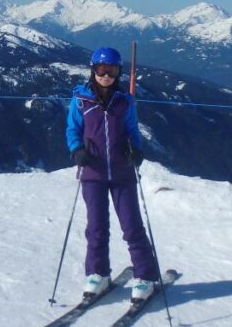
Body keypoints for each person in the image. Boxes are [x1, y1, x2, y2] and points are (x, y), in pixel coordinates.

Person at [66, 46, 159, 302]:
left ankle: (146, 276)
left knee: (132, 227)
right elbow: (72, 130)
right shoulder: (80, 100)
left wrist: (136, 151)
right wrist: (76, 150)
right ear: (93, 70)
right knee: (96, 227)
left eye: (112, 70)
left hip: (122, 172)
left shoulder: (124, 101)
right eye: (102, 70)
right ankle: (98, 273)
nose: (106, 75)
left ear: (118, 73)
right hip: (92, 172)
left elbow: (132, 131)